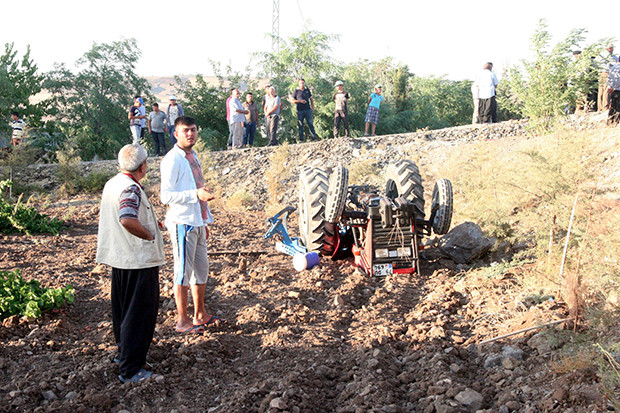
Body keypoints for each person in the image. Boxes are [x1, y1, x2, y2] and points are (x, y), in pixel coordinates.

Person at [96, 143, 164, 383]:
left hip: (120, 259)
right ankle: (132, 370)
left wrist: (151, 223)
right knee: (139, 316)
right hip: (137, 261)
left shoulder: (112, 183)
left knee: (123, 312)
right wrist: (149, 234)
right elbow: (126, 219)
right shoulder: (131, 188)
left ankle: (123, 355)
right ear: (143, 166)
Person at [160, 116, 219, 334]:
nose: (190, 134)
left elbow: (200, 186)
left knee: (201, 270)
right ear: (175, 134)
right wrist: (194, 195)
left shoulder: (192, 156)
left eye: (193, 130)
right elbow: (165, 196)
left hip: (197, 222)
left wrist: (204, 221)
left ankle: (200, 314)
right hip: (182, 222)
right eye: (185, 130)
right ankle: (182, 321)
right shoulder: (172, 160)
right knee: (183, 271)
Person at [598, 44, 619, 112]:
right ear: (609, 48)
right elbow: (615, 61)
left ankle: (599, 107)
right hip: (606, 73)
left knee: (601, 90)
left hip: (600, 72)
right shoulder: (608, 54)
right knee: (607, 89)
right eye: (612, 49)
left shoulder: (600, 55)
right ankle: (605, 107)